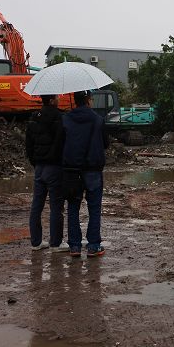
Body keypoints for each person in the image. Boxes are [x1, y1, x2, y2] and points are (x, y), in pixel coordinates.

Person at [62, 90, 109, 257]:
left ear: (74, 101)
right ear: (88, 100)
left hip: (72, 171)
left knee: (73, 207)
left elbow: (62, 142)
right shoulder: (98, 119)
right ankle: (93, 246)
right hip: (93, 169)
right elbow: (106, 143)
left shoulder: (66, 119)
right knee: (94, 208)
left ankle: (74, 246)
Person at [26, 94, 68, 252]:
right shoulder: (58, 117)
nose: (59, 99)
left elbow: (28, 143)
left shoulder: (34, 117)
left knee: (37, 204)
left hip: (39, 167)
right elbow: (60, 142)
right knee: (56, 206)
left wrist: (35, 161)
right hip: (54, 167)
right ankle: (56, 243)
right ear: (51, 101)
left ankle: (36, 242)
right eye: (56, 97)